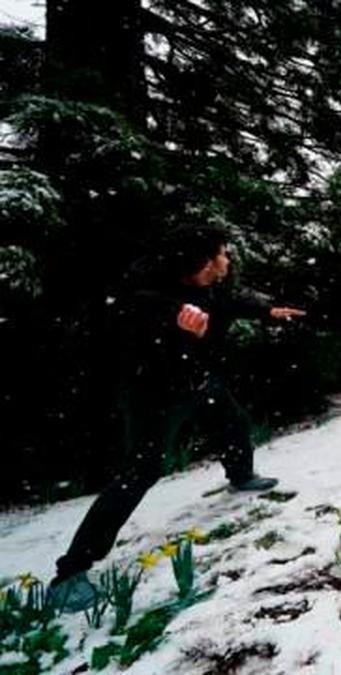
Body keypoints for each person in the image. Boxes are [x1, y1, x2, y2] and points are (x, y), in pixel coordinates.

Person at [47, 225, 305, 611]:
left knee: (233, 423)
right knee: (142, 471)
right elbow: (145, 313)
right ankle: (71, 571)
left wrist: (269, 312)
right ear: (205, 262)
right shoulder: (156, 299)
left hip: (198, 383)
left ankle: (241, 476)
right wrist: (176, 321)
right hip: (155, 396)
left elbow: (230, 304)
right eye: (222, 253)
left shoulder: (210, 292)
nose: (228, 259)